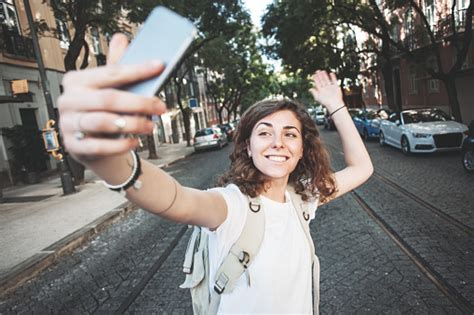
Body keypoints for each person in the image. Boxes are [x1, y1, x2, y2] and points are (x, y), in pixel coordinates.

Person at [58, 33, 373, 314]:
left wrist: (335, 104)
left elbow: (362, 168)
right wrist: (108, 157)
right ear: (247, 147)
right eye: (264, 133)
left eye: (290, 134)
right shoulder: (229, 207)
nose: (278, 142)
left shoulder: (303, 199)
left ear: (303, 149)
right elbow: (175, 199)